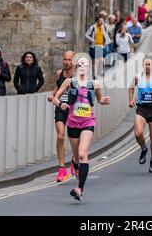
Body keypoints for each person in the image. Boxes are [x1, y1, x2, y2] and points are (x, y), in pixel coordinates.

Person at [52, 57, 111, 201]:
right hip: (72, 123)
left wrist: (105, 101)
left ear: (89, 68)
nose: (82, 66)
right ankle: (74, 162)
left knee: (83, 153)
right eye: (80, 64)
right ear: (76, 67)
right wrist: (60, 104)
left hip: (87, 122)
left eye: (85, 64)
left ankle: (80, 189)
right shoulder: (69, 82)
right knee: (77, 156)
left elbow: (100, 100)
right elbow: (55, 98)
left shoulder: (95, 84)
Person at [47, 51, 75, 183]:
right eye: (64, 59)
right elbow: (56, 90)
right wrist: (52, 96)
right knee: (60, 136)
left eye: (69, 59)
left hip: (75, 109)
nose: (66, 62)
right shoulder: (59, 74)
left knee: (75, 139)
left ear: (73, 61)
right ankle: (62, 168)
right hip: (60, 108)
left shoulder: (78, 74)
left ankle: (75, 162)